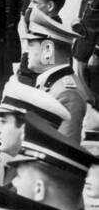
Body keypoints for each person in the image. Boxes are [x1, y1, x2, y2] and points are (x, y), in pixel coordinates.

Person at [23, 9, 85, 143]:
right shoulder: (52, 83)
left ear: (48, 50)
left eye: (31, 44)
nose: (26, 51)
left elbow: (63, 152)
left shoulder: (67, 93)